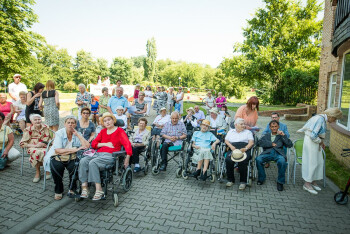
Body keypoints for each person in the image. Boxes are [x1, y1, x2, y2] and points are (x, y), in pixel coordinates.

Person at [79, 113, 132, 200]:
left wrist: (127, 158)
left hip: (110, 156)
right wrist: (105, 143)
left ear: (113, 120)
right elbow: (94, 144)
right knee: (83, 160)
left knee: (93, 162)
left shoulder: (120, 131)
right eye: (105, 121)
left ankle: (99, 189)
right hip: (98, 154)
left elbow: (127, 145)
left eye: (109, 120)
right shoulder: (103, 132)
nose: (107, 122)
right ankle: (84, 188)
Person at [297, 107, 342, 195]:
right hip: (312, 142)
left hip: (313, 142)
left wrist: (321, 143)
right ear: (331, 116)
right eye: (335, 118)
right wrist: (320, 141)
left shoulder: (319, 117)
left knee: (318, 162)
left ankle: (313, 180)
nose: (334, 121)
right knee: (312, 163)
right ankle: (307, 184)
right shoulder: (320, 119)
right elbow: (313, 135)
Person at [43, 116, 90, 200]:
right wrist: (75, 149)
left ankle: (72, 187)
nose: (70, 124)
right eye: (68, 122)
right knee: (57, 167)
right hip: (58, 156)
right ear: (64, 124)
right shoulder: (59, 133)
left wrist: (78, 136)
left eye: (72, 123)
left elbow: (87, 146)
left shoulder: (77, 132)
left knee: (75, 168)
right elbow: (58, 151)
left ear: (75, 124)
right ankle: (58, 189)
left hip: (72, 156)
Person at [256, 120, 293, 191]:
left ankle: (280, 182)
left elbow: (290, 145)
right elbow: (259, 143)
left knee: (282, 162)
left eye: (275, 126)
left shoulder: (281, 136)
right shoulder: (266, 135)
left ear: (278, 127)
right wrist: (270, 144)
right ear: (269, 127)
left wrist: (283, 135)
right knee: (258, 159)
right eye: (272, 127)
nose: (274, 128)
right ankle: (261, 178)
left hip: (278, 154)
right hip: (267, 153)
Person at [19, 114, 53, 182]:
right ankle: (38, 172)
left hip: (45, 146)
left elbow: (51, 139)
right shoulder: (28, 130)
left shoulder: (46, 127)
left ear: (41, 120)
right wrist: (35, 146)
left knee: (45, 152)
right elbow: (22, 143)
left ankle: (46, 170)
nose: (37, 121)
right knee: (36, 152)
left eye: (39, 119)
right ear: (31, 121)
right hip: (32, 147)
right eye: (35, 120)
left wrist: (44, 143)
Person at [225, 118, 254, 190]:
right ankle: (230, 179)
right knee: (228, 160)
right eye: (241, 124)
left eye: (244, 124)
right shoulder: (230, 131)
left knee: (243, 161)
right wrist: (231, 146)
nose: (243, 125)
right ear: (236, 125)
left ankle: (243, 181)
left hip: (244, 148)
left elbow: (251, 142)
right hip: (233, 147)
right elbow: (226, 140)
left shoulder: (248, 132)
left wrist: (246, 148)